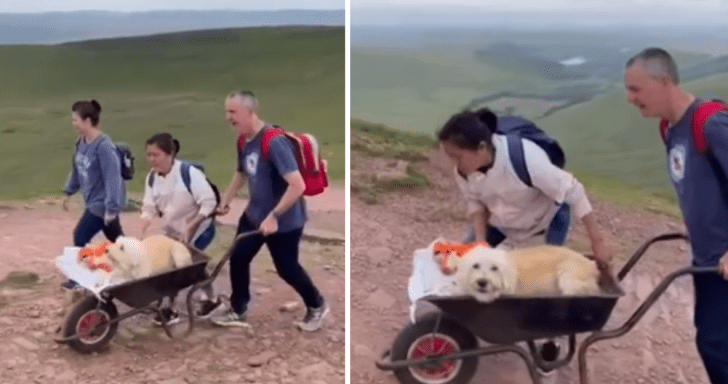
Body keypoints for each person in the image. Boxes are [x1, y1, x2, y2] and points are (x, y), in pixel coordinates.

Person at [624, 47, 728, 383]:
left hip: (724, 264)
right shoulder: (670, 129)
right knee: (713, 343)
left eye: (636, 89)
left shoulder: (711, 124)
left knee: (717, 345)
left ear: (664, 81)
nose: (630, 98)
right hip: (707, 261)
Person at [210, 91, 328, 332]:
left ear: (250, 112)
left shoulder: (274, 143)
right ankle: (238, 309)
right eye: (227, 112)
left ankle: (316, 305)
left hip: (283, 222)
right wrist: (226, 201)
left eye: (233, 112)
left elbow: (298, 186)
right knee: (239, 258)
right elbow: (242, 172)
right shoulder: (243, 140)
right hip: (254, 215)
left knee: (287, 268)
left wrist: (274, 216)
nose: (228, 117)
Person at [437, 108, 613, 267]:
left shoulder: (525, 158)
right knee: (470, 268)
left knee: (536, 278)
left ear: (481, 148)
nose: (454, 164)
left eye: (458, 157)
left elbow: (574, 190)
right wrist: (480, 240)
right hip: (505, 228)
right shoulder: (463, 171)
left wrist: (597, 242)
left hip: (543, 226)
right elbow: (474, 201)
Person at [140, 133, 221, 325]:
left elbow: (209, 202)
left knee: (183, 265)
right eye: (149, 155)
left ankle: (175, 307)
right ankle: (207, 300)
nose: (152, 159)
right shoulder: (152, 178)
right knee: (179, 264)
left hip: (200, 228)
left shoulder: (189, 173)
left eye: (156, 155)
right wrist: (144, 222)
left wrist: (191, 226)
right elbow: (149, 207)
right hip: (174, 230)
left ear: (170, 154)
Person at [62, 100, 126, 290]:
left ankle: (79, 279)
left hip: (102, 204)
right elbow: (77, 169)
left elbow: (113, 178)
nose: (73, 123)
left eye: (75, 119)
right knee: (118, 240)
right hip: (93, 202)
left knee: (80, 235)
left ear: (87, 121)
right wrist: (69, 191)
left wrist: (112, 208)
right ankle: (134, 266)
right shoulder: (81, 142)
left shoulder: (104, 147)